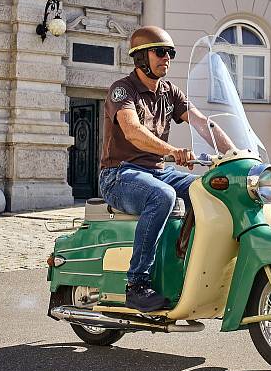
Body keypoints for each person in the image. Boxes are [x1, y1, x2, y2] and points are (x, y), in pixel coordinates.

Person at [99, 25, 234, 312]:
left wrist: (235, 154)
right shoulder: (123, 90)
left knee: (206, 190)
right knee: (162, 196)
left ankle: (188, 264)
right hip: (119, 174)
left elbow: (203, 123)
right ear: (140, 58)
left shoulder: (169, 92)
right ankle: (137, 284)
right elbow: (133, 131)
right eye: (160, 52)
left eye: (170, 53)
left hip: (156, 171)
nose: (166, 58)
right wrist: (172, 151)